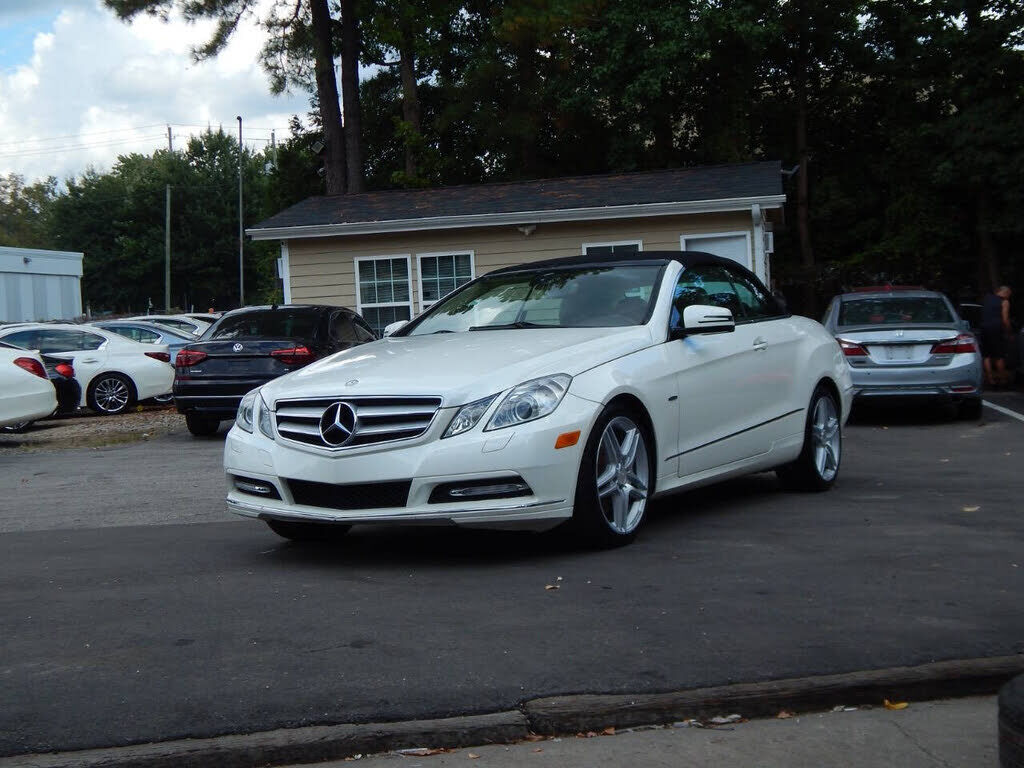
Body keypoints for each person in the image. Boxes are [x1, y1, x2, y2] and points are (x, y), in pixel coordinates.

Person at [981, 285, 1012, 387]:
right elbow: (1005, 319)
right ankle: (1002, 379)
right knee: (999, 355)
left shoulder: (987, 298)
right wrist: (1008, 332)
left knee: (986, 355)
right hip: (996, 329)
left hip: (984, 328)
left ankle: (990, 379)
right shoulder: (1005, 302)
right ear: (1006, 293)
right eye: (1009, 294)